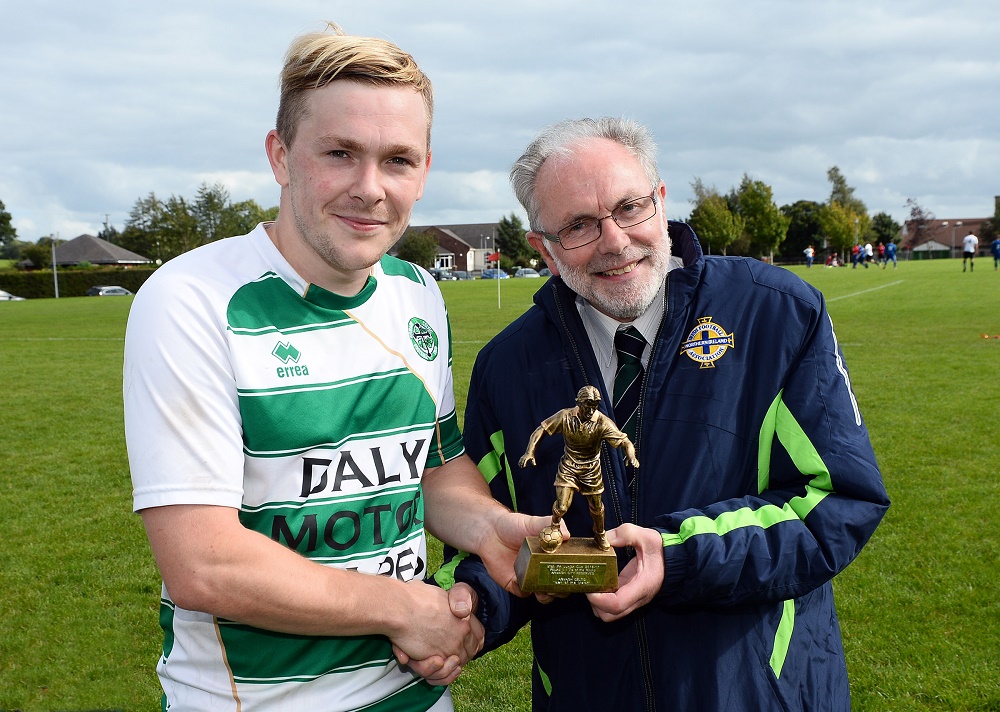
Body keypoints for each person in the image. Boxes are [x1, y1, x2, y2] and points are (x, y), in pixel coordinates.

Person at [123, 23, 545, 711]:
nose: (370, 188)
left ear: (426, 169)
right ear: (281, 155)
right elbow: (203, 562)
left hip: (417, 694)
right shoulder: (192, 300)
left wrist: (490, 527)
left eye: (398, 160)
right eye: (340, 153)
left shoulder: (417, 293)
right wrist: (401, 608)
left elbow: (433, 470)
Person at [444, 117, 889, 711]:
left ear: (660, 200)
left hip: (755, 694)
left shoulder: (775, 315)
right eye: (578, 226)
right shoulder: (507, 365)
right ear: (543, 249)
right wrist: (472, 608)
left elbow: (838, 501)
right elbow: (492, 532)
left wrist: (676, 555)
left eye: (630, 208)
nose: (615, 241)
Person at [519, 385, 639, 551]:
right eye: (587, 406)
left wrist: (631, 456)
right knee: (561, 506)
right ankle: (554, 527)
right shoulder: (565, 416)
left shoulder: (602, 422)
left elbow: (624, 441)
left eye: (594, 407)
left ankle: (600, 533)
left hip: (591, 469)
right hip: (569, 466)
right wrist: (529, 452)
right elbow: (541, 430)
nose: (590, 411)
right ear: (578, 403)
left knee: (596, 507)